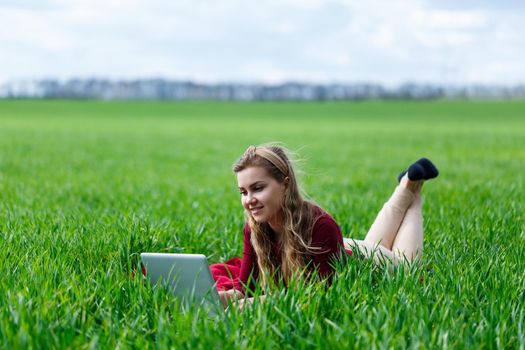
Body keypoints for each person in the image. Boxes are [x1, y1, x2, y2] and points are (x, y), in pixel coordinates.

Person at [211, 144, 438, 308]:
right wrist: (219, 297)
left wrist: (251, 304)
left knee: (408, 267)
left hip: (370, 264)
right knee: (375, 242)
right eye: (243, 192)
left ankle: (411, 186)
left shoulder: (320, 225)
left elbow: (316, 295)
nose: (249, 199)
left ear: (285, 185)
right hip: (346, 248)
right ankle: (407, 183)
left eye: (258, 188)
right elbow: (247, 288)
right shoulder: (254, 228)